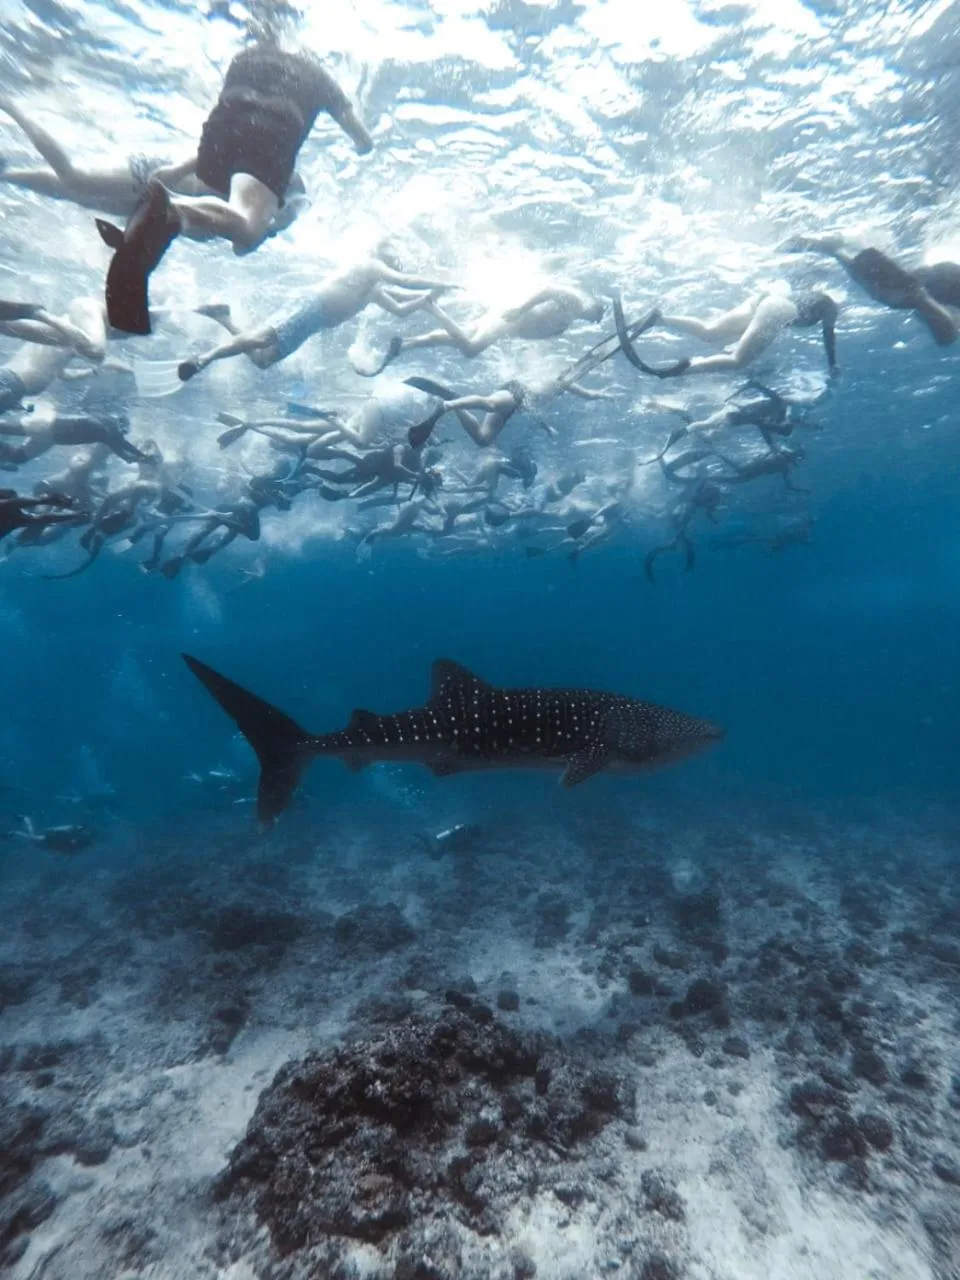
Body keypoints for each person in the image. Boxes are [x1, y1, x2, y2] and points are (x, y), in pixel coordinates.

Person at [100, 44, 374, 334]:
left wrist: (176, 170)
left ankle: (163, 220)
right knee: (247, 225)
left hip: (219, 134)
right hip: (273, 136)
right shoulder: (318, 75)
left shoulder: (246, 57)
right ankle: (172, 210)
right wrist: (360, 146)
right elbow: (363, 140)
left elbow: (241, 116)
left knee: (224, 220)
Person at [165, 254, 454, 388]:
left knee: (263, 360)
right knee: (262, 340)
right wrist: (443, 281)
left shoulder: (374, 291)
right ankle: (204, 358)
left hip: (313, 323)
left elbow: (401, 310)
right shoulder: (369, 264)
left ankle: (223, 316)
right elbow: (405, 281)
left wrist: (428, 299)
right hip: (310, 306)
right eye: (393, 267)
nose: (391, 272)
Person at [362, 284, 604, 372]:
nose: (594, 320)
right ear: (594, 306)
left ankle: (406, 345)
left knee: (461, 335)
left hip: (510, 325)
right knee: (470, 348)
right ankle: (430, 306)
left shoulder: (570, 320)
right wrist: (520, 309)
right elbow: (547, 291)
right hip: (511, 316)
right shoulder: (575, 302)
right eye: (597, 315)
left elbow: (541, 329)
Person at [781, 234, 960, 346]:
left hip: (932, 284)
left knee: (891, 295)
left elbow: (927, 315)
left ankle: (839, 248)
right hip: (932, 284)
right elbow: (941, 328)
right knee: (893, 296)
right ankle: (838, 248)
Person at [613, 289, 839, 377]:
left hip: (766, 297)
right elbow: (828, 335)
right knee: (738, 361)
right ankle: (683, 369)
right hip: (780, 308)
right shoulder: (832, 307)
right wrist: (832, 365)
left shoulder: (815, 294)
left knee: (710, 331)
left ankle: (660, 318)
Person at [0, 296, 111, 416]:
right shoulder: (65, 336)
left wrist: (89, 372)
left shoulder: (63, 346)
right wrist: (37, 314)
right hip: (10, 381)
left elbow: (62, 374)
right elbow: (94, 350)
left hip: (14, 387)